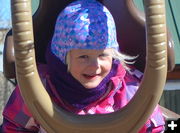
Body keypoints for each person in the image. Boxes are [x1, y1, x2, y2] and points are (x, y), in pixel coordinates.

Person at [1, 0, 165, 132]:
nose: (95, 66)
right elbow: (13, 127)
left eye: (102, 55)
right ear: (63, 57)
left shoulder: (131, 92)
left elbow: (153, 127)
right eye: (83, 57)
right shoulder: (36, 90)